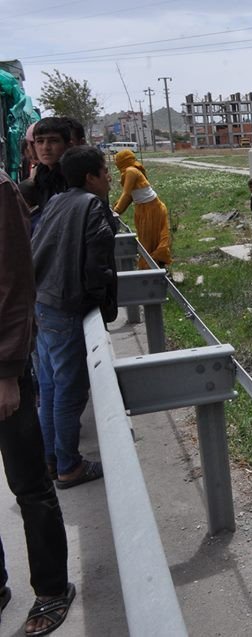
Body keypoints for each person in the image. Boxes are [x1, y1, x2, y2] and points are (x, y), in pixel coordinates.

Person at [0, 169, 76, 637]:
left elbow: (13, 285)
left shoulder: (1, 192)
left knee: (28, 484)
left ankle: (52, 588)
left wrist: (8, 372)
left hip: (3, 373)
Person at [32, 145, 118, 490]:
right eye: (105, 171)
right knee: (70, 392)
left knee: (51, 389)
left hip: (42, 304)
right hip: (67, 308)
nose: (109, 177)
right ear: (90, 177)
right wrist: (99, 303)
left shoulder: (56, 201)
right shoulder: (92, 205)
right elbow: (98, 262)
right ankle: (69, 466)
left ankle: (51, 460)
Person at [111, 149, 172, 268]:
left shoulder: (131, 171)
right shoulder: (130, 171)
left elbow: (127, 194)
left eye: (117, 161)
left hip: (151, 209)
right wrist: (115, 209)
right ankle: (154, 269)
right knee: (148, 242)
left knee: (149, 243)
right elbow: (130, 197)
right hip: (144, 209)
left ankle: (150, 271)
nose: (116, 163)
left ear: (123, 161)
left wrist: (116, 211)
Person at [29, 117, 71, 229]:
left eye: (53, 141)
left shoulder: (75, 176)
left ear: (68, 145)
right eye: (40, 141)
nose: (45, 147)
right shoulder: (41, 176)